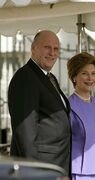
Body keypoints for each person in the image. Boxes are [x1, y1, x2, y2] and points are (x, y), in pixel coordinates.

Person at [8, 30, 71, 174]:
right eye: (47, 47)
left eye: (56, 49)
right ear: (33, 48)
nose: (52, 53)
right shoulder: (25, 77)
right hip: (41, 167)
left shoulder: (50, 78)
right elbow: (25, 133)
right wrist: (34, 172)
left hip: (57, 165)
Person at [67, 52, 95, 180]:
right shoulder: (68, 106)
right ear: (74, 77)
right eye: (84, 73)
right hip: (80, 172)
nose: (90, 78)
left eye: (93, 73)